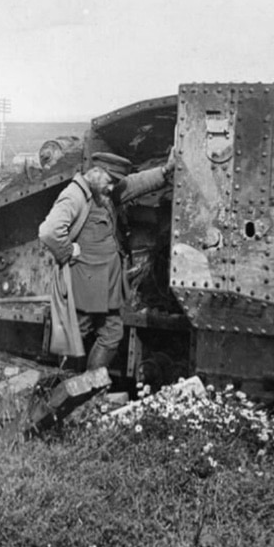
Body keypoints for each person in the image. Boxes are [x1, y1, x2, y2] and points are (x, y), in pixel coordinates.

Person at [38, 150, 175, 383]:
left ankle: (88, 386)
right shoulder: (75, 195)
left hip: (108, 281)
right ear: (95, 173)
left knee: (112, 334)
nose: (113, 187)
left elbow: (132, 184)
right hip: (84, 280)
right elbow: (48, 232)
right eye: (110, 182)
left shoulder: (104, 192)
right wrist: (69, 252)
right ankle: (67, 390)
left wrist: (165, 171)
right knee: (77, 337)